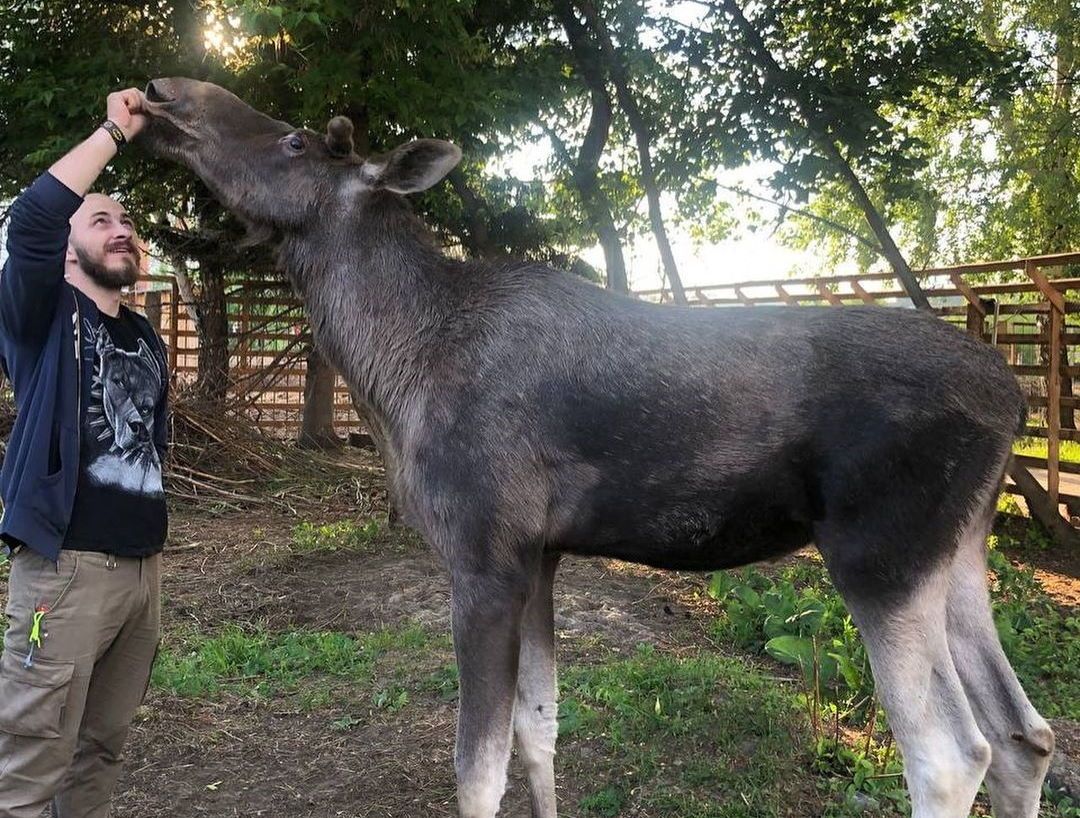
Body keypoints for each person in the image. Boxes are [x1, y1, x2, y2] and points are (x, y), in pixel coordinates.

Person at [0, 88, 169, 818]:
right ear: (68, 249)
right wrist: (113, 130)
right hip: (64, 575)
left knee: (100, 753)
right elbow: (31, 220)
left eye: (126, 220)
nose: (121, 229)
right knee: (30, 763)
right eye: (100, 220)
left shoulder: (145, 336)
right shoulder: (40, 315)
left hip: (141, 579)